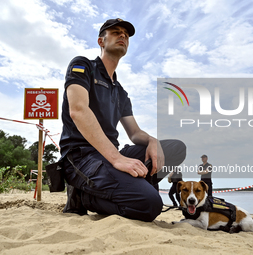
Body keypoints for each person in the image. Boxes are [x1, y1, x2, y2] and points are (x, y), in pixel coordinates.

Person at [59, 18, 186, 222]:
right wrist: (117, 159)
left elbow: (135, 133)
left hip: (109, 155)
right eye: (116, 32)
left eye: (126, 35)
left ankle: (139, 188)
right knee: (151, 205)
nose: (122, 36)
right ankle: (84, 197)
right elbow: (78, 111)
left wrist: (152, 141)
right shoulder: (82, 66)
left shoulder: (121, 92)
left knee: (176, 148)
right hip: (82, 157)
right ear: (101, 41)